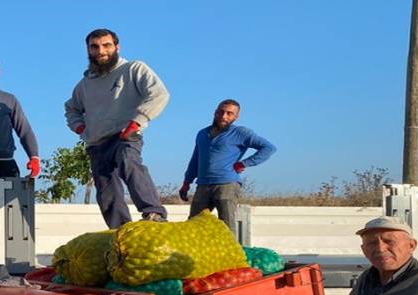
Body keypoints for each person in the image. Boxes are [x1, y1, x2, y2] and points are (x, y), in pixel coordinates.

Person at [64, 28, 169, 228]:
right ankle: (120, 230)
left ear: (117, 47)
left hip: (125, 135)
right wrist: (80, 128)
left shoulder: (133, 69)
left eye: (106, 45)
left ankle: (154, 213)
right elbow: (71, 108)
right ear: (88, 50)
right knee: (106, 191)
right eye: (94, 47)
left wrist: (137, 120)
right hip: (96, 143)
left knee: (129, 163)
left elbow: (159, 94)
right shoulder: (84, 84)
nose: (101, 51)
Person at [179, 99, 276, 232]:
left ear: (236, 117)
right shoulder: (202, 133)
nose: (224, 116)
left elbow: (268, 148)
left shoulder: (241, 133)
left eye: (229, 113)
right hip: (203, 185)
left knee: (227, 226)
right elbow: (196, 159)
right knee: (193, 225)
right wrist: (186, 182)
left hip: (227, 185)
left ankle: (230, 253)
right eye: (221, 112)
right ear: (215, 112)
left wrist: (244, 163)